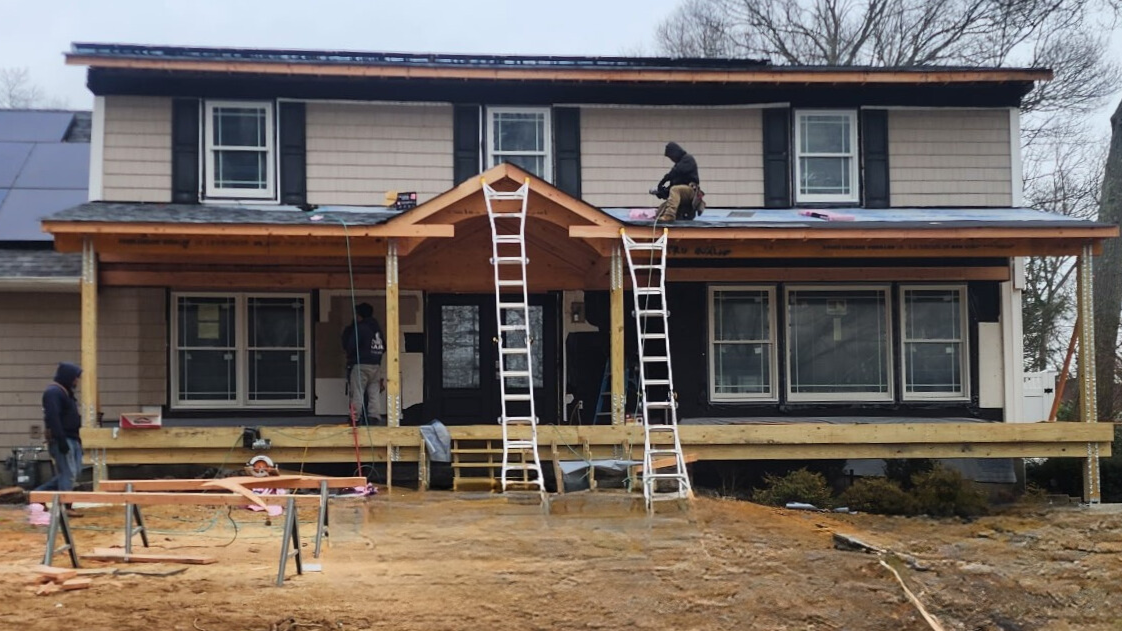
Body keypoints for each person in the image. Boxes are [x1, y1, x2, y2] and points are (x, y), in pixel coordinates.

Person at [34, 363, 84, 513]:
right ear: (68, 377)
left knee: (73, 473)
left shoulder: (66, 393)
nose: (77, 381)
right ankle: (65, 506)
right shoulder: (53, 393)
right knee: (68, 474)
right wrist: (60, 439)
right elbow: (53, 417)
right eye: (75, 377)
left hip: (73, 438)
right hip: (62, 438)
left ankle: (38, 494)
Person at [342, 303, 386, 425]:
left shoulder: (360, 328)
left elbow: (351, 346)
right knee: (374, 392)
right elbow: (384, 347)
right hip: (376, 365)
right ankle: (374, 417)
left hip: (361, 365)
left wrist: (351, 356)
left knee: (357, 392)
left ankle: (355, 418)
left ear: (359, 314)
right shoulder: (376, 328)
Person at [653, 142, 704, 222]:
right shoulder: (679, 165)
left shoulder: (687, 159)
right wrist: (662, 192)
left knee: (675, 189)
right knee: (660, 211)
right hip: (682, 193)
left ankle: (670, 215)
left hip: (690, 191)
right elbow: (673, 192)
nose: (672, 159)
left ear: (675, 153)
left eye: (671, 157)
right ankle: (667, 216)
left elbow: (676, 172)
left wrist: (665, 179)